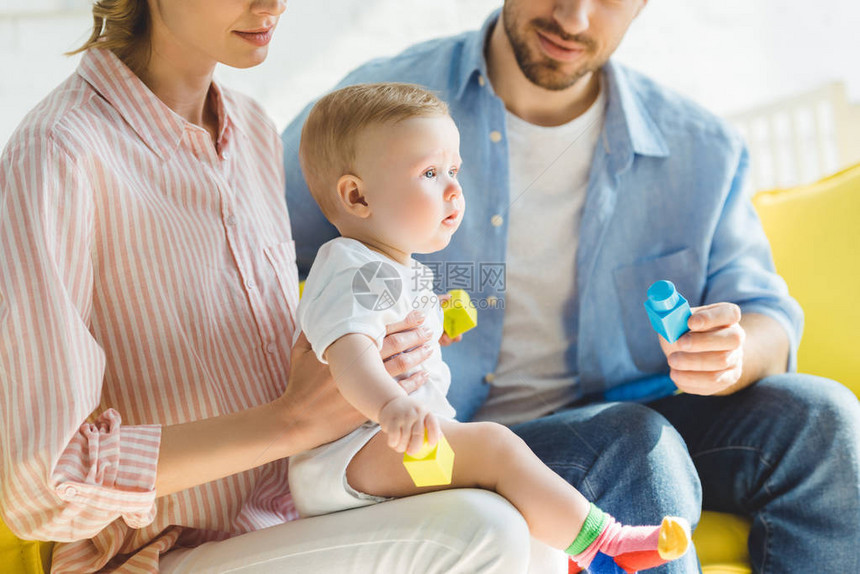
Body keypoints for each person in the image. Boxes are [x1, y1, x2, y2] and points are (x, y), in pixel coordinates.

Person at [281, 2, 860, 572]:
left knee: (822, 416)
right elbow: (263, 255)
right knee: (635, 442)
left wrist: (732, 353)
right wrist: (351, 345)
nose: (575, 17)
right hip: (468, 437)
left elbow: (768, 316)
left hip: (650, 413)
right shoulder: (377, 110)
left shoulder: (701, 149)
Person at [0, 1, 534, 573]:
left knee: (527, 508)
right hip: (155, 557)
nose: (273, 4)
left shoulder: (253, 130)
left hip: (295, 520)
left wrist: (384, 344)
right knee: (486, 531)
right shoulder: (58, 155)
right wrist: (292, 421)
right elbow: (43, 484)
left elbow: (306, 324)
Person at [289, 81, 692, 573]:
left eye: (454, 170)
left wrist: (433, 325)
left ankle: (562, 549)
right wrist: (390, 404)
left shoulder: (396, 268)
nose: (455, 189)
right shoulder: (349, 265)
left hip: (392, 445)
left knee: (502, 494)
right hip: (347, 458)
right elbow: (349, 351)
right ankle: (604, 543)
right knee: (495, 447)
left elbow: (384, 334)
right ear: (357, 196)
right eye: (430, 173)